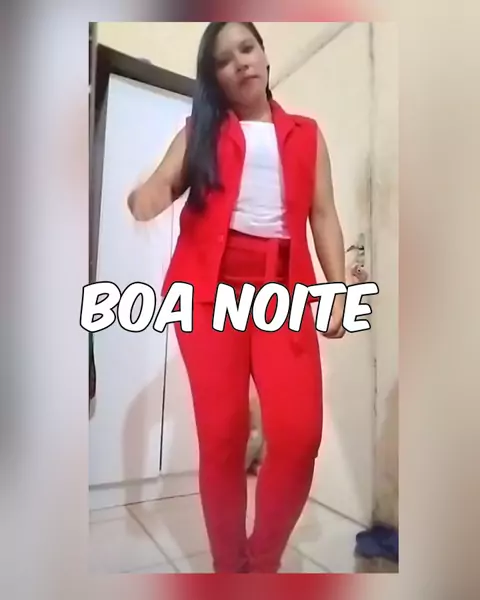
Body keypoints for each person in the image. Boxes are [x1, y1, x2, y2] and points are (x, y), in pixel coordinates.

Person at [128, 22, 346, 573]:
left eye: (247, 48)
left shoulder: (306, 134)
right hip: (207, 295)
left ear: (264, 54)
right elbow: (162, 185)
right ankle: (230, 566)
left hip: (284, 292)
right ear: (216, 77)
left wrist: (337, 288)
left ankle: (263, 561)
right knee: (222, 438)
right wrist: (145, 198)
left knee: (298, 436)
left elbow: (323, 214)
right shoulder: (200, 132)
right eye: (224, 60)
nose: (241, 63)